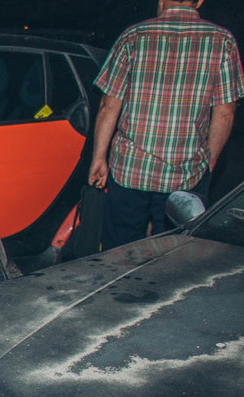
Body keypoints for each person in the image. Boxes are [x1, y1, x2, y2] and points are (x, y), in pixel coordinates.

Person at [89, 0, 244, 249]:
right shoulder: (222, 40)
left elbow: (109, 105)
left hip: (130, 169)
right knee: (174, 252)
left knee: (119, 250)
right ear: (199, 1)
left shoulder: (134, 36)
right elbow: (225, 113)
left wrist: (99, 158)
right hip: (186, 173)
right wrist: (208, 164)